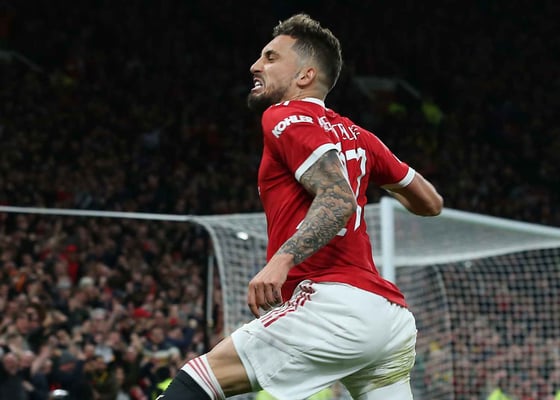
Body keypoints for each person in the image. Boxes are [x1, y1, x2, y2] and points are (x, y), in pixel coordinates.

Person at [160, 13, 443, 400]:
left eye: (271, 57)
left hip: (333, 307)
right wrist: (372, 170)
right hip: (387, 319)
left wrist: (282, 260)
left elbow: (338, 198)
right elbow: (430, 202)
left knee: (196, 381)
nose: (256, 65)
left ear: (305, 75)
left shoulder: (283, 116)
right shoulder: (360, 137)